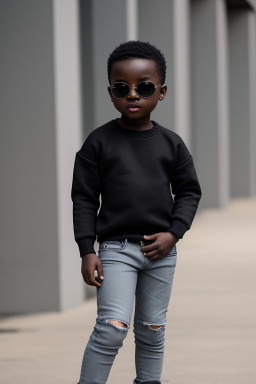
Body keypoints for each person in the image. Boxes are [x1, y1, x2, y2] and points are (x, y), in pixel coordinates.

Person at [71, 40, 201, 384]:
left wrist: (174, 233)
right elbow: (84, 198)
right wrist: (87, 250)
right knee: (112, 328)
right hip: (115, 250)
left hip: (162, 253)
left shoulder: (171, 144)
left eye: (143, 87)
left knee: (152, 330)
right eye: (121, 87)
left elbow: (189, 191)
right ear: (110, 92)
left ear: (161, 92)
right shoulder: (97, 143)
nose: (132, 94)